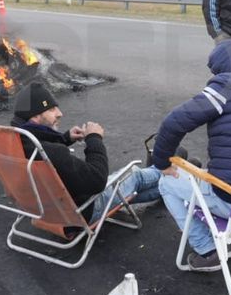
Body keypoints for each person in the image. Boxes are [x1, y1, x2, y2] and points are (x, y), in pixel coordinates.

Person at [150, 40, 231, 272]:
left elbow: (174, 123)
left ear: (221, 66)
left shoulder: (227, 84)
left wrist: (162, 163)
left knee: (167, 182)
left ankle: (207, 250)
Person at [11, 83, 160, 223]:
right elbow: (97, 181)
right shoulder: (55, 153)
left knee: (132, 189)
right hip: (82, 211)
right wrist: (94, 139)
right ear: (35, 117)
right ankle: (174, 169)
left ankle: (171, 186)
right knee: (135, 175)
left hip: (46, 210)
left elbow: (45, 149)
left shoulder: (15, 142)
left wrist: (65, 138)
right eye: (51, 109)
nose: (60, 113)